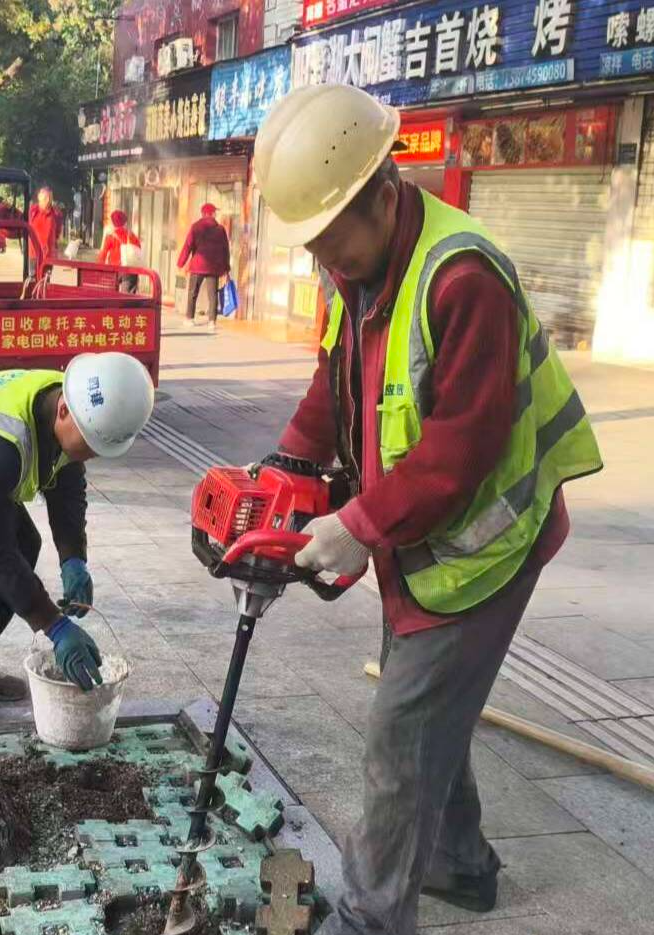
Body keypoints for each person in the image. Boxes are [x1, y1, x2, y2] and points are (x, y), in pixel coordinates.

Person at [254, 85, 603, 935]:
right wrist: (283, 469)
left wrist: (356, 525)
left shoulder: (463, 275)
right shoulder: (363, 264)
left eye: (331, 241)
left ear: (382, 193)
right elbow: (335, 382)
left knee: (400, 732)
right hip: (426, 541)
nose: (324, 263)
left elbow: (463, 444)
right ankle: (460, 867)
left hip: (488, 544)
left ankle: (370, 918)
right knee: (428, 709)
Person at [0, 352, 155, 700]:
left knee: (26, 543)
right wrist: (54, 625)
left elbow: (67, 484)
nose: (91, 456)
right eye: (90, 445)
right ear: (63, 412)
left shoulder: (65, 401)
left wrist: (74, 559)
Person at [177, 202, 230, 332]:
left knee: (192, 293)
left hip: (198, 266)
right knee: (212, 295)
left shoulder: (195, 227)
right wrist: (226, 268)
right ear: (212, 214)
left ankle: (189, 318)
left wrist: (181, 263)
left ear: (202, 213)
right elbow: (225, 250)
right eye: (215, 212)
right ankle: (212, 321)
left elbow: (188, 246)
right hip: (213, 267)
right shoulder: (220, 229)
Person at [98, 210, 141, 293]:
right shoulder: (131, 235)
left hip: (114, 270)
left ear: (113, 223)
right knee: (127, 298)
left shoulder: (110, 236)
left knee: (112, 297)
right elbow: (138, 249)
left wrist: (99, 269)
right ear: (125, 222)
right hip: (129, 271)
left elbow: (103, 254)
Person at [29, 186, 63, 265]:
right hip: (34, 254)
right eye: (45, 198)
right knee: (33, 276)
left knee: (45, 277)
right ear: (39, 198)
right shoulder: (33, 211)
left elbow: (57, 233)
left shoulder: (56, 214)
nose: (48, 200)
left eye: (49, 198)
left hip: (48, 255)